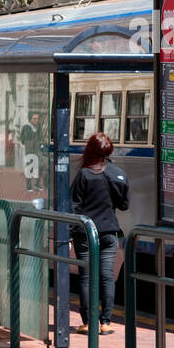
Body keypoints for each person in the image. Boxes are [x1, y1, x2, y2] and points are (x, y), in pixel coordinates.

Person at [69, 132, 130, 335]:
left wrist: (70, 233)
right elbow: (124, 204)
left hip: (85, 233)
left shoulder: (84, 175)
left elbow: (74, 206)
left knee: (86, 277)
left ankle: (88, 323)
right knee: (106, 277)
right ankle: (105, 322)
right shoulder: (118, 173)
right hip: (108, 233)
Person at [18, 111, 45, 191]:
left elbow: (41, 137)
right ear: (30, 119)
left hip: (37, 150)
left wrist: (40, 143)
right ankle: (29, 186)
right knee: (30, 168)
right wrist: (28, 144)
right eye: (34, 118)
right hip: (29, 150)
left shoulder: (39, 127)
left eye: (37, 118)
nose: (36, 120)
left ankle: (37, 183)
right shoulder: (26, 127)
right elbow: (22, 139)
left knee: (41, 165)